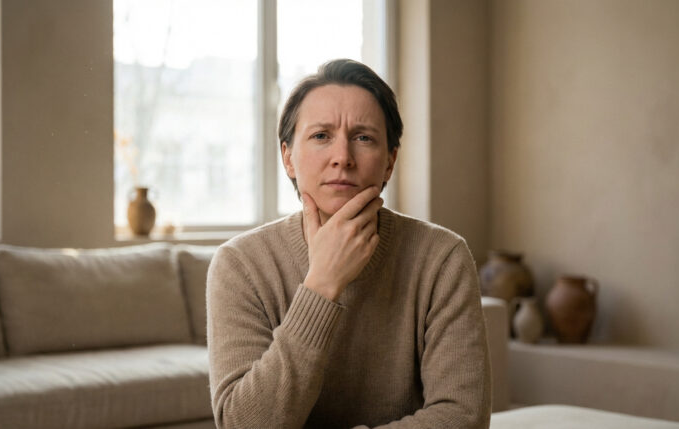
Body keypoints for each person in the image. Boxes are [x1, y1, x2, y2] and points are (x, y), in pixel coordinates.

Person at [207, 59, 491, 428]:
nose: (343, 158)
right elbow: (241, 424)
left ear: (389, 162)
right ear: (288, 157)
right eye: (321, 136)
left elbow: (463, 417)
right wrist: (322, 284)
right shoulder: (239, 264)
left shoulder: (442, 257)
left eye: (363, 137)